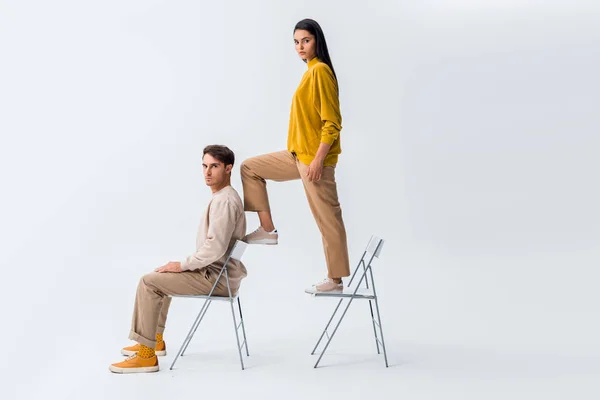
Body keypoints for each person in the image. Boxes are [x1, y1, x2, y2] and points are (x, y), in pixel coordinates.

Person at [109, 145, 247, 374]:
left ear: (228, 168)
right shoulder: (225, 197)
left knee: (148, 282)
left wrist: (182, 265)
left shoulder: (224, 201)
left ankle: (146, 355)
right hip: (218, 274)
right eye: (204, 166)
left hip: (216, 278)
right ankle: (154, 340)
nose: (207, 172)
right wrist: (179, 267)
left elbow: (215, 248)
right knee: (161, 275)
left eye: (214, 166)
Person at [241, 18, 350, 292]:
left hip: (315, 161)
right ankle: (267, 230)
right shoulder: (310, 72)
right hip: (296, 156)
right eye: (296, 42)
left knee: (328, 219)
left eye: (306, 40)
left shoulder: (321, 71)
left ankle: (335, 280)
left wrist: (318, 160)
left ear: (317, 41)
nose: (300, 46)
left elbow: (332, 123)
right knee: (250, 168)